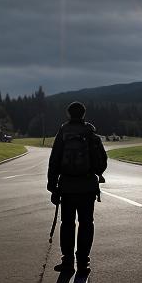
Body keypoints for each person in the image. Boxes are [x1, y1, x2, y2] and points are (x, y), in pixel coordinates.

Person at [47, 101, 108, 273]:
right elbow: (101, 161)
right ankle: (83, 262)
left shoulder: (63, 131)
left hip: (66, 186)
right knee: (86, 224)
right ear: (83, 114)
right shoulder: (90, 132)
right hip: (88, 186)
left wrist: (53, 186)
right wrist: (96, 173)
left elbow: (54, 160)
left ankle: (67, 262)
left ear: (69, 114)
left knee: (67, 224)